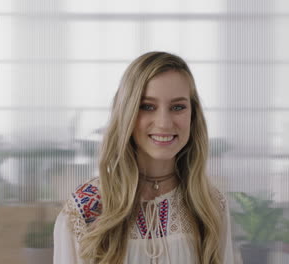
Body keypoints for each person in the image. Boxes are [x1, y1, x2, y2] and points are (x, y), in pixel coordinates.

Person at [53, 51, 241, 264]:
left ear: (193, 115)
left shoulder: (211, 205)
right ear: (127, 112)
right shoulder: (86, 207)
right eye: (147, 106)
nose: (164, 123)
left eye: (178, 107)